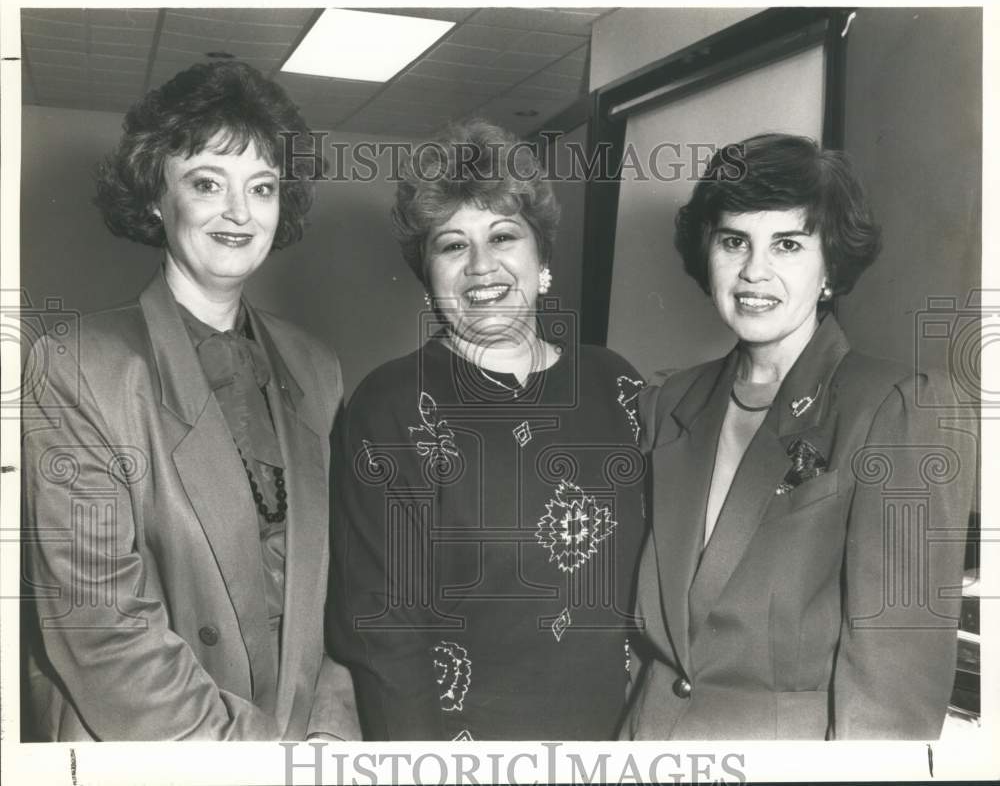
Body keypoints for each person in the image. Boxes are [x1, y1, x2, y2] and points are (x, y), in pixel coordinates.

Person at [21, 61, 359, 741]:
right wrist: (261, 762)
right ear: (155, 196)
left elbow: (340, 603)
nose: (239, 213)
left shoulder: (317, 369)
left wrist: (330, 734)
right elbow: (105, 634)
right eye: (208, 183)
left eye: (261, 188)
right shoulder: (77, 368)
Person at [621, 133, 976, 740]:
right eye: (735, 241)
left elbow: (894, 685)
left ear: (831, 266)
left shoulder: (897, 407)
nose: (754, 271)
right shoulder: (668, 403)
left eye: (787, 244)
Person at [330, 120, 646, 740]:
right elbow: (382, 632)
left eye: (504, 236)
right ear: (427, 275)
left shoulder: (616, 384)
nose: (482, 267)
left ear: (542, 257)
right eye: (452, 245)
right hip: (466, 749)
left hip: (624, 736)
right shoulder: (390, 407)